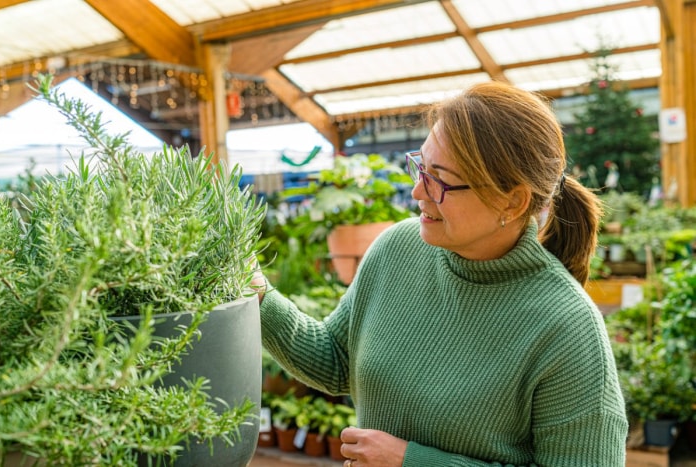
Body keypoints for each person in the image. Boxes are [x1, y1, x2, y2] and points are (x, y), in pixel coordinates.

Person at [252, 81, 628, 466]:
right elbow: (337, 360)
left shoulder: (567, 326)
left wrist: (409, 461)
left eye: (440, 179)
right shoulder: (397, 249)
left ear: (512, 201)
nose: (418, 191)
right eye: (420, 166)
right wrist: (258, 295)